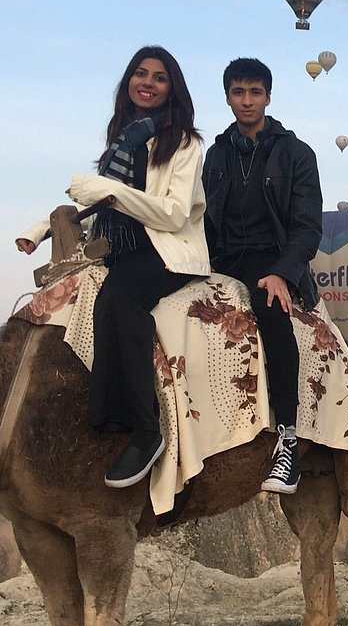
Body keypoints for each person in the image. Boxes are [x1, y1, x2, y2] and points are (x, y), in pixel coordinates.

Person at [16, 46, 210, 488]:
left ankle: (145, 430)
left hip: (167, 250)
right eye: (140, 74)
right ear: (128, 82)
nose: (148, 83)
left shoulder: (184, 142)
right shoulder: (124, 140)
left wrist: (109, 191)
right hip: (118, 248)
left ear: (172, 89)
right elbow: (100, 205)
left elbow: (173, 214)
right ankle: (97, 420)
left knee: (118, 302)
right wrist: (41, 228)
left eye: (159, 77)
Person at [202, 58, 322, 494]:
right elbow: (204, 219)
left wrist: (281, 273)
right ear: (227, 97)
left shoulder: (296, 154)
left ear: (268, 97)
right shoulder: (216, 154)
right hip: (221, 259)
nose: (247, 101)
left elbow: (308, 227)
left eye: (255, 92)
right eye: (238, 92)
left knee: (272, 314)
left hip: (272, 259)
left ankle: (287, 439)